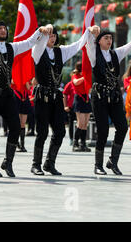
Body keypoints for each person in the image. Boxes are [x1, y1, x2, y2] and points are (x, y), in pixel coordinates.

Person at [0, 20, 51, 177]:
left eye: (4, 27)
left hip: (6, 93)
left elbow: (29, 42)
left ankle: (8, 162)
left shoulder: (11, 47)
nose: (3, 30)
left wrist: (40, 31)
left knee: (16, 127)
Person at [30, 26, 92, 176]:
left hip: (56, 96)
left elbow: (77, 45)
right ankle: (35, 164)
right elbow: (38, 43)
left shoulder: (61, 51)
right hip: (42, 96)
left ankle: (49, 163)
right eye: (49, 35)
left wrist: (88, 31)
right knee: (42, 132)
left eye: (54, 35)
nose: (51, 38)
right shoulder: (38, 51)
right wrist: (43, 32)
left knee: (60, 131)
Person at [87, 25, 131, 175]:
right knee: (102, 130)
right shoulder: (94, 54)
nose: (109, 40)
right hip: (99, 97)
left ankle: (113, 161)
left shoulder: (116, 54)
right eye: (105, 38)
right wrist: (90, 32)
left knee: (122, 127)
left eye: (110, 38)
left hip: (114, 97)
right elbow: (88, 42)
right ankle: (98, 165)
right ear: (99, 41)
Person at [71, 61, 92, 152]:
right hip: (79, 99)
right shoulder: (75, 75)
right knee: (80, 123)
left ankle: (83, 143)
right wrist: (84, 77)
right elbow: (76, 82)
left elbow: (89, 88)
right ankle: (75, 143)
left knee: (85, 124)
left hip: (86, 99)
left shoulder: (86, 77)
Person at [14, 82, 32, 152]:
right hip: (16, 98)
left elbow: (28, 88)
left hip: (25, 98)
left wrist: (25, 80)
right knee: (16, 123)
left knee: (23, 124)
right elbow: (13, 84)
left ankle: (22, 145)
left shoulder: (26, 76)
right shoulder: (14, 74)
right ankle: (16, 142)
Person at [62, 77, 76, 146]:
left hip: (80, 106)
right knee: (71, 123)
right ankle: (71, 139)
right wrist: (65, 106)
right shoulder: (69, 84)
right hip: (71, 107)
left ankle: (79, 139)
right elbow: (64, 94)